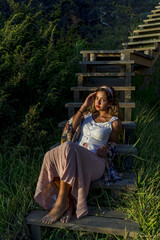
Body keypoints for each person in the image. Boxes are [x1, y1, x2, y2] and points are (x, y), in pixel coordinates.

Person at [34, 86, 122, 224]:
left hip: (95, 161)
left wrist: (106, 148)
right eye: (96, 98)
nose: (98, 102)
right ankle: (68, 204)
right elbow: (71, 129)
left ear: (110, 103)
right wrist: (84, 106)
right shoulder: (86, 115)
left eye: (103, 100)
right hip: (74, 156)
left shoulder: (114, 122)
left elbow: (113, 144)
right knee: (50, 155)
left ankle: (60, 204)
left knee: (68, 147)